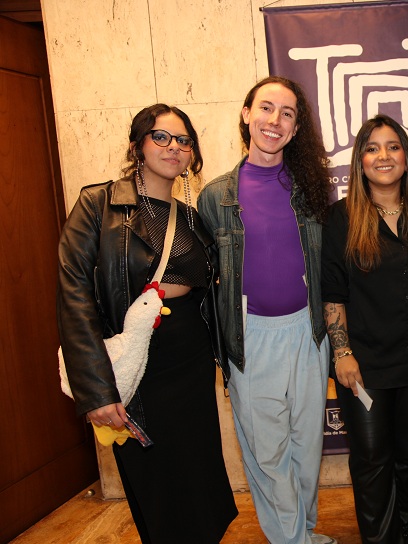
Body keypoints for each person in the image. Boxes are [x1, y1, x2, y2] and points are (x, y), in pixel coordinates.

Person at [57, 104, 238, 542]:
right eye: (161, 137)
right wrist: (96, 390)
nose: (173, 147)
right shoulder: (98, 204)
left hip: (190, 365)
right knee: (158, 489)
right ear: (138, 144)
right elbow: (74, 295)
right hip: (136, 368)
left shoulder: (193, 217)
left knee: (200, 482)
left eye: (183, 140)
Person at [197, 76, 335, 544]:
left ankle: (305, 534)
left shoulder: (311, 190)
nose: (274, 120)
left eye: (287, 113)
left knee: (307, 449)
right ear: (246, 114)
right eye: (266, 108)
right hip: (249, 337)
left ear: (296, 129)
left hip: (308, 334)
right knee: (266, 454)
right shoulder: (215, 197)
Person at [322, 115, 408, 544]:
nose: (384, 155)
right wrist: (341, 353)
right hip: (366, 364)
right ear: (360, 161)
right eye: (373, 148)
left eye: (393, 146)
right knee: (372, 458)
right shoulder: (340, 218)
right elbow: (333, 292)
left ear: (406, 158)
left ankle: (406, 528)